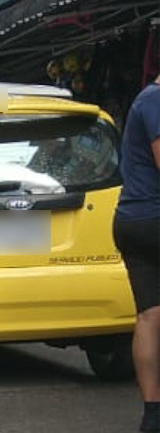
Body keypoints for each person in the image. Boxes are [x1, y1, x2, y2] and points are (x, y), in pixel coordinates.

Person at [113, 73, 160, 433]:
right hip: (154, 217)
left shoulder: (144, 99)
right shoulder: (156, 102)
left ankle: (153, 414)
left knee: (150, 316)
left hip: (132, 218)